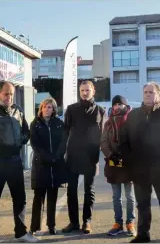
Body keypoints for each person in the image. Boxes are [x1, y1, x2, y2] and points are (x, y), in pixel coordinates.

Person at [120, 82, 160, 243]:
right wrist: (129, 160)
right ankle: (143, 234)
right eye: (145, 92)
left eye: (151, 92)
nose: (148, 94)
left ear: (158, 94)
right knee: (142, 204)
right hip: (139, 169)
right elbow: (124, 140)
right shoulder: (133, 115)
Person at [0, 81, 38, 242]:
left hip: (15, 161)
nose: (9, 97)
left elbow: (26, 132)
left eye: (11, 94)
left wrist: (19, 141)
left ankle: (21, 232)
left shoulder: (17, 110)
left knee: (20, 198)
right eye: (6, 93)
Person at [62, 80, 106, 234]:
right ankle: (73, 222)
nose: (85, 93)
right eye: (82, 90)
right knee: (71, 190)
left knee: (89, 190)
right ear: (79, 92)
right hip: (73, 155)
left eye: (87, 90)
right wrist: (63, 153)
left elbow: (103, 136)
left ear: (93, 91)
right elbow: (65, 132)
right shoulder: (71, 109)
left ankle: (86, 222)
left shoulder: (100, 111)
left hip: (91, 157)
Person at [29, 98, 67, 235]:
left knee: (53, 197)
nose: (47, 109)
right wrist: (47, 157)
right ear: (41, 109)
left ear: (54, 110)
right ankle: (34, 227)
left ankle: (51, 225)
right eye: (44, 107)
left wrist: (57, 156)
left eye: (50, 107)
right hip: (41, 165)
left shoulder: (59, 124)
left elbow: (63, 141)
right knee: (38, 198)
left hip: (55, 165)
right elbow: (35, 144)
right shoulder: (35, 124)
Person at [101, 95, 136, 236]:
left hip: (129, 163)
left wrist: (128, 156)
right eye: (114, 105)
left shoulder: (132, 120)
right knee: (116, 196)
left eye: (119, 104)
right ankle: (118, 223)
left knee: (129, 196)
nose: (116, 107)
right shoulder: (108, 123)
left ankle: (130, 223)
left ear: (125, 106)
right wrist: (110, 155)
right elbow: (103, 142)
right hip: (113, 162)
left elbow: (136, 140)